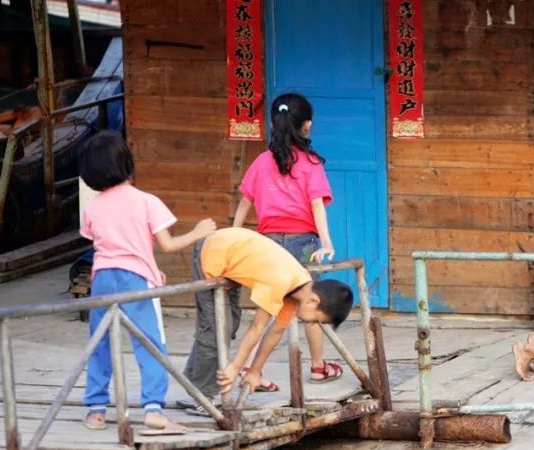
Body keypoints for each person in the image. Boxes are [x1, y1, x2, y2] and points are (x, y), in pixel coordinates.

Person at [77, 130, 216, 432]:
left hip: (102, 279)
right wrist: (199, 231)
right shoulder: (145, 201)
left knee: (100, 343)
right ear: (127, 163)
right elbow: (166, 245)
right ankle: (153, 409)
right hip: (137, 280)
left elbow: (108, 246)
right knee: (150, 343)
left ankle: (96, 409)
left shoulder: (93, 208)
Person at [232, 92, 342, 390]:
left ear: (273, 122)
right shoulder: (310, 163)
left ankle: (250, 370)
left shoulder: (261, 162)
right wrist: (326, 243)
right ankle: (318, 366)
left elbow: (244, 203)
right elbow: (317, 204)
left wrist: (235, 237)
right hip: (302, 243)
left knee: (266, 312)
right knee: (310, 305)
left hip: (267, 247)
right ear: (306, 126)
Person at [180, 227, 353, 413]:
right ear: (313, 301)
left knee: (229, 326)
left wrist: (255, 371)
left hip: (233, 256)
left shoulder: (299, 287)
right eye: (315, 320)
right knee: (216, 328)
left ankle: (194, 386)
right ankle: (203, 397)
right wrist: (235, 368)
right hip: (214, 251)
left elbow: (275, 332)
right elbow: (257, 327)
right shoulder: (280, 282)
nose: (310, 323)